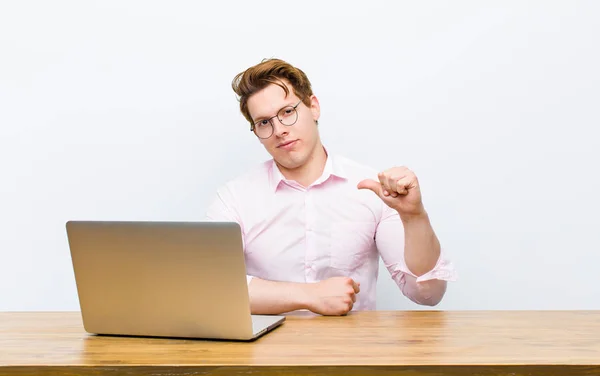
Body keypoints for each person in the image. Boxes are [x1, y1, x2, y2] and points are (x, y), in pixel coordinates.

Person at [206, 58, 456, 316]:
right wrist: (309, 296)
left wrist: (414, 218)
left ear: (313, 107)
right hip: (265, 354)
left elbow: (428, 294)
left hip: (353, 353)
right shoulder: (234, 198)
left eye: (287, 112)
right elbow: (212, 287)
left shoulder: (372, 190)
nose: (279, 130)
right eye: (264, 123)